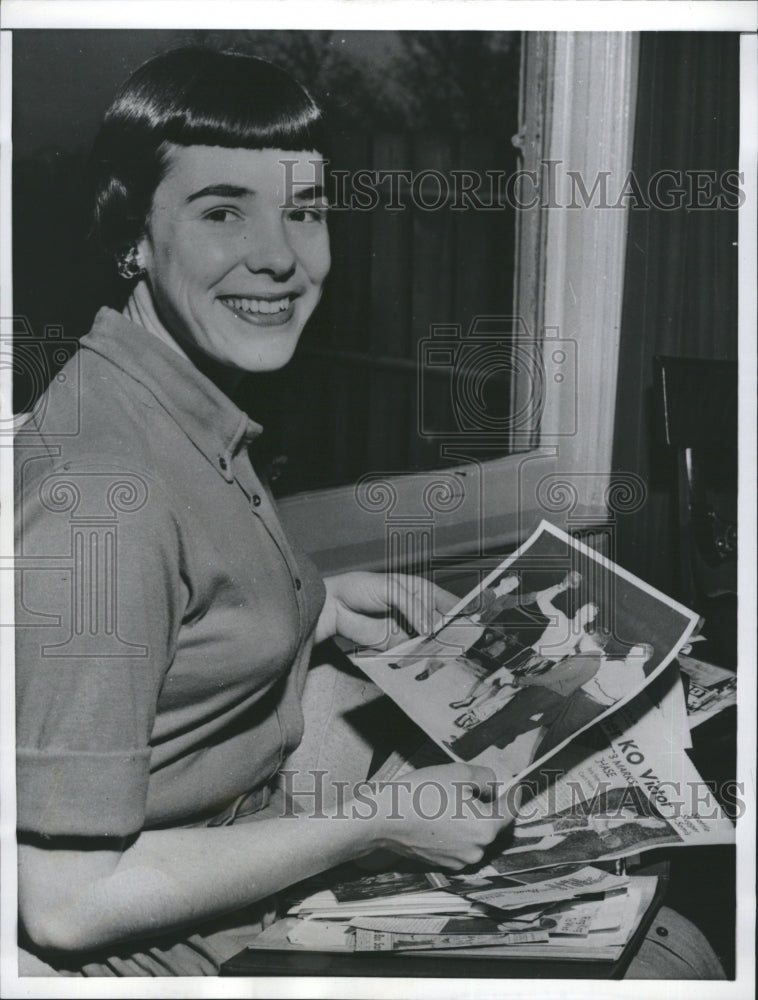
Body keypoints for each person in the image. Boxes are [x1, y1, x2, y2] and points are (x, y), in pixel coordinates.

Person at [14, 48, 512, 977]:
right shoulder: (102, 496)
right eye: (221, 211)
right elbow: (66, 903)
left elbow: (173, 621)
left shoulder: (167, 396)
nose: (280, 255)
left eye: (305, 211)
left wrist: (315, 603)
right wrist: (373, 826)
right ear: (131, 233)